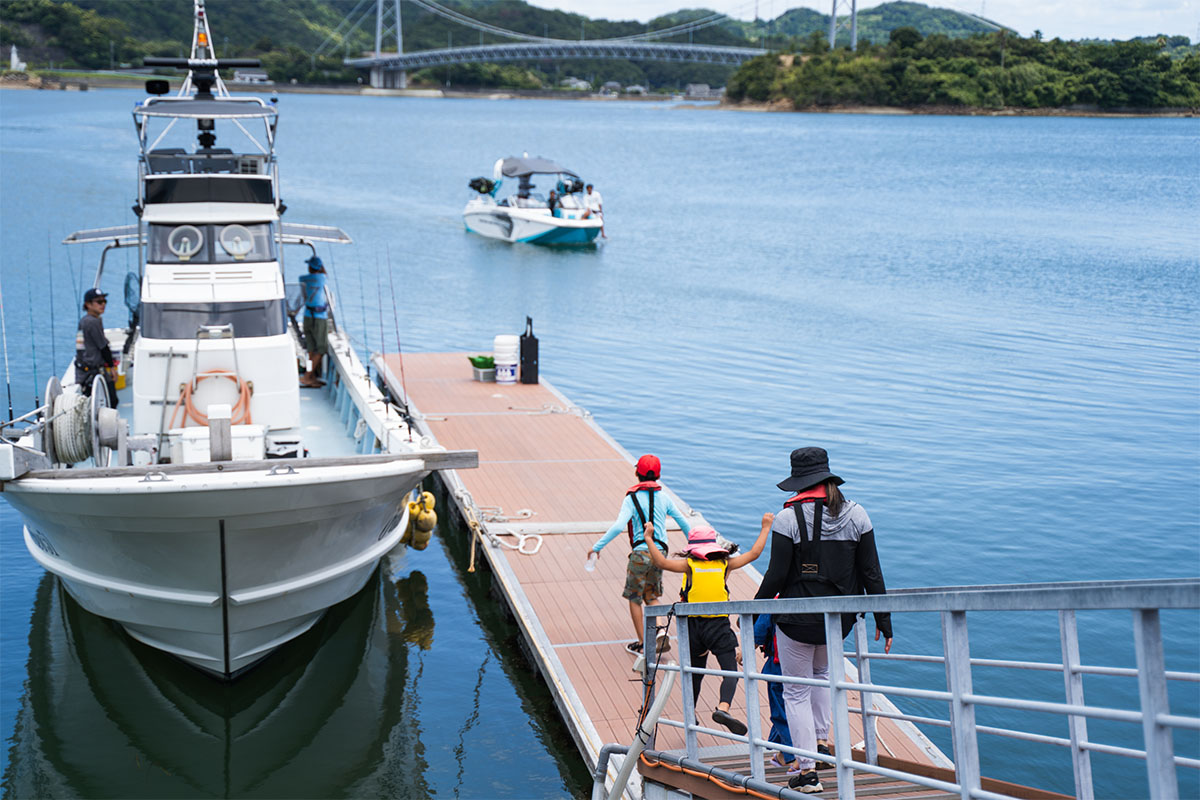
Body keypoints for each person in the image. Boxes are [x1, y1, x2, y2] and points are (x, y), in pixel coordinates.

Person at [753, 447, 893, 795]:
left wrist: (752, 610)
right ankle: (820, 744)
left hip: (796, 621)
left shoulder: (788, 520)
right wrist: (884, 618)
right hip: (837, 621)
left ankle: (806, 772)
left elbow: (775, 576)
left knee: (796, 692)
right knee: (823, 676)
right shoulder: (857, 514)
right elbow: (871, 571)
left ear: (799, 483)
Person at [643, 515, 771, 736]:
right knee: (730, 669)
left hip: (693, 627)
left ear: (692, 548)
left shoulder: (689, 565)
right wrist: (766, 527)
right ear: (714, 546)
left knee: (695, 673)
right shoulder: (724, 564)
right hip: (719, 626)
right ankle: (723, 708)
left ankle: (690, 715)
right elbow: (754, 554)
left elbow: (660, 562)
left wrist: (648, 538)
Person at [588, 454, 691, 656]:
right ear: (658, 474)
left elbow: (618, 526)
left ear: (637, 473)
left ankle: (644, 643)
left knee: (635, 598)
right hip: (659, 552)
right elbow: (684, 523)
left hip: (640, 554)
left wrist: (597, 547)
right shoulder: (664, 497)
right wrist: (696, 546)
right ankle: (660, 629)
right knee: (652, 595)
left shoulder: (631, 499)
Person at [753, 610, 795, 770]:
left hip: (778, 667)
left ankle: (793, 756)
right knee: (798, 707)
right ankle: (781, 753)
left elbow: (759, 633)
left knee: (780, 713)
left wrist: (745, 651)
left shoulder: (774, 603)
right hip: (804, 667)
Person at [75, 288, 118, 406]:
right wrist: (112, 368)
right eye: (99, 302)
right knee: (112, 401)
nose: (103, 304)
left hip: (85, 369)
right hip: (91, 371)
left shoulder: (86, 320)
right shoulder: (92, 322)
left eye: (105, 301)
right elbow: (103, 347)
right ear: (88, 304)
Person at [298, 255, 328, 388]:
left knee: (311, 347)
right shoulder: (321, 278)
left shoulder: (303, 279)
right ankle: (307, 377)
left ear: (310, 267)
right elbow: (325, 274)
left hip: (307, 315)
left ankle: (311, 377)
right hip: (319, 317)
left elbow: (303, 281)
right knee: (321, 349)